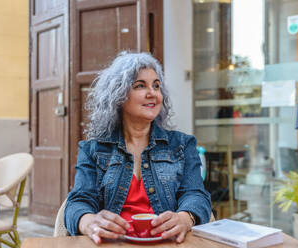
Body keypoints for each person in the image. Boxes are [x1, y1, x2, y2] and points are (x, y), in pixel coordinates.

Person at [64, 52, 211, 244]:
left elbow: (196, 194)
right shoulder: (93, 149)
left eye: (156, 86)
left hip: (168, 243)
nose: (153, 93)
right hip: (113, 244)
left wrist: (185, 217)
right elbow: (78, 201)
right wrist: (88, 221)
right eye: (140, 85)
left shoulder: (182, 144)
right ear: (119, 94)